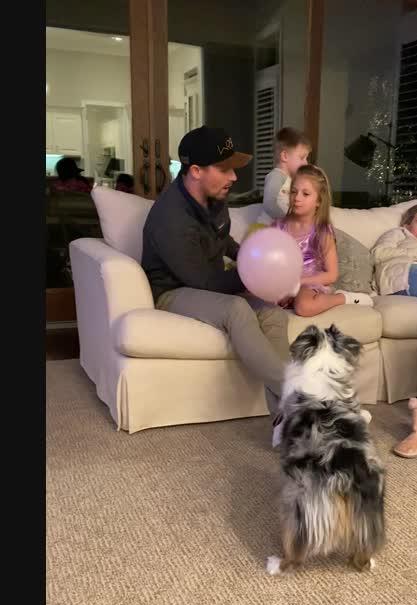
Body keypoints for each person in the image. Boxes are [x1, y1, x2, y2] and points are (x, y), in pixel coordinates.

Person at [140, 126, 289, 436]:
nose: (233, 178)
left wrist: (252, 254)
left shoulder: (215, 197)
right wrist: (255, 274)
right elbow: (205, 282)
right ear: (195, 171)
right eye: (224, 169)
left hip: (206, 280)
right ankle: (303, 397)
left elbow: (224, 243)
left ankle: (288, 421)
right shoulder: (171, 219)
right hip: (174, 290)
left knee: (272, 311)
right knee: (236, 309)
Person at [272, 165, 375, 316]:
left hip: (308, 283)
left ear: (319, 201)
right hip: (283, 282)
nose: (297, 197)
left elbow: (331, 275)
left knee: (304, 307)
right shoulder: (278, 226)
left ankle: (344, 298)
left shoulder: (322, 232)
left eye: (305, 194)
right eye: (294, 191)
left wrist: (298, 282)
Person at [261, 127, 311, 221]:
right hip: (265, 228)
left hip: (280, 229)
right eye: (302, 158)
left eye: (306, 158)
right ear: (285, 156)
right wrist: (289, 219)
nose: (306, 163)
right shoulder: (276, 176)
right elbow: (269, 204)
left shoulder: (291, 180)